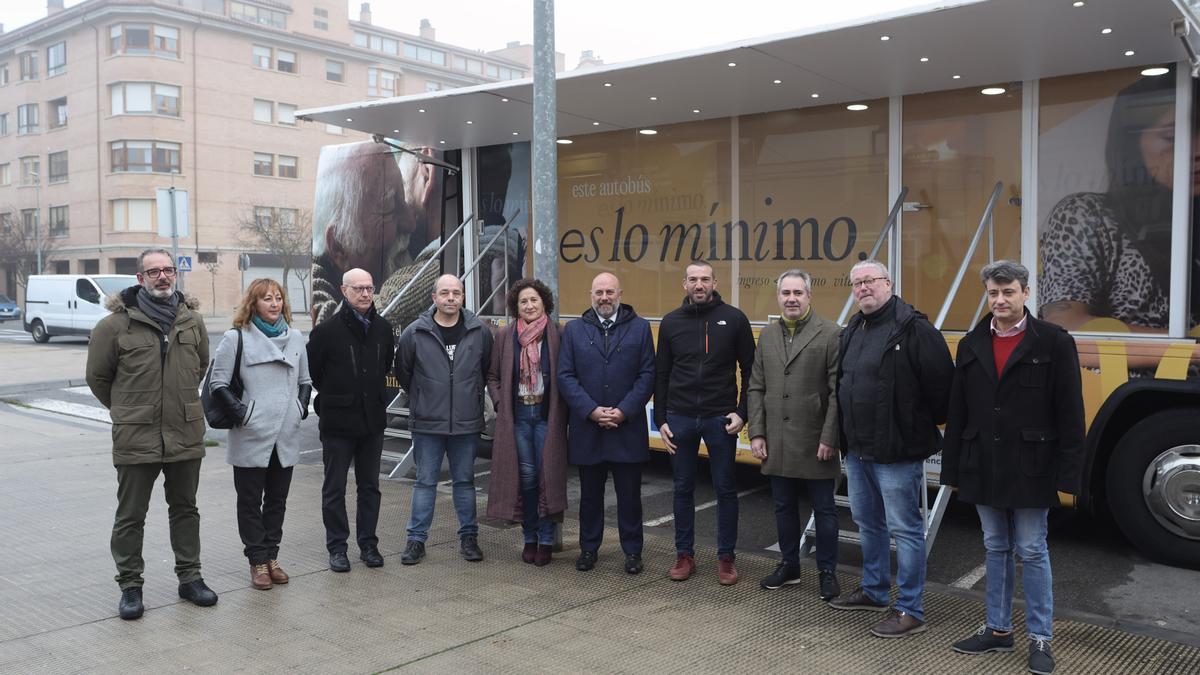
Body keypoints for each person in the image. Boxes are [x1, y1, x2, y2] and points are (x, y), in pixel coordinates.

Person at [941, 261, 1085, 675]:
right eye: (993, 293)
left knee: (1033, 550)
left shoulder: (1054, 343)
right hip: (982, 463)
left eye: (1008, 292)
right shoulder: (970, 344)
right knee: (994, 547)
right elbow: (959, 411)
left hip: (1033, 466)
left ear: (1025, 293)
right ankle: (998, 630)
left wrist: (1068, 474)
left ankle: (1040, 638)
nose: (1000, 300)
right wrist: (952, 471)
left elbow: (1070, 413)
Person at [86, 248, 218, 620]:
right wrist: (128, 409)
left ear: (175, 275)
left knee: (185, 509)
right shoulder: (113, 326)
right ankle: (130, 586)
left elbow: (200, 366)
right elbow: (98, 377)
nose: (163, 277)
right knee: (131, 515)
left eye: (168, 270)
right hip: (137, 435)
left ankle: (190, 578)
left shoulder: (191, 321)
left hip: (184, 431)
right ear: (139, 278)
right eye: (154, 271)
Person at [828, 259, 953, 639]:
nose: (863, 288)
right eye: (856, 283)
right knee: (868, 523)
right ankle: (875, 590)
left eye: (870, 281)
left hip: (897, 451)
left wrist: (910, 426)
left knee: (906, 530)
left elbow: (942, 391)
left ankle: (911, 609)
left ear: (889, 283)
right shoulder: (853, 327)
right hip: (859, 449)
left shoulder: (914, 329)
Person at [1040, 68, 1200, 333]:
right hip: (1127, 374)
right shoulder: (1087, 216)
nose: (1195, 151)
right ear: (1132, 145)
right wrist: (1186, 349)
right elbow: (1064, 326)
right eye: (1171, 138)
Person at [654, 261, 755, 585]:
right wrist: (660, 418)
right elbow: (662, 374)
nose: (700, 284)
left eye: (705, 279)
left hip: (719, 417)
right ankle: (684, 556)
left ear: (714, 282)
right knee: (682, 488)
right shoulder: (671, 323)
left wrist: (742, 412)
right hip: (680, 417)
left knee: (725, 488)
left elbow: (751, 371)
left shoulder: (735, 319)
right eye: (694, 279)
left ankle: (726, 558)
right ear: (684, 284)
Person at [208, 278, 311, 590]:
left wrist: (300, 409)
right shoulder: (236, 338)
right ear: (253, 303)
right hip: (252, 433)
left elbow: (305, 380)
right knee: (251, 502)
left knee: (277, 501)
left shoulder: (295, 337)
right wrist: (244, 415)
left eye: (278, 298)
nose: (274, 303)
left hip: (285, 434)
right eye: (267, 298)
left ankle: (272, 557)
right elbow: (218, 384)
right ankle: (257, 561)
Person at [747, 269, 843, 601]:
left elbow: (836, 393)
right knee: (783, 507)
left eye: (798, 293)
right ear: (778, 297)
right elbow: (756, 386)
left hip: (816, 440)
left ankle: (827, 572)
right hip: (776, 440)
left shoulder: (830, 334)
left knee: (825, 510)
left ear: (809, 296)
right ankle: (789, 566)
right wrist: (756, 433)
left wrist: (830, 437)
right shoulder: (767, 335)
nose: (791, 298)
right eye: (786, 293)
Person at [558, 272, 656, 574]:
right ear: (591, 295)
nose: (604, 297)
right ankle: (589, 549)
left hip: (626, 427)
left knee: (629, 497)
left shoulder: (640, 329)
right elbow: (565, 376)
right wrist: (591, 410)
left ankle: (633, 552)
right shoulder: (573, 330)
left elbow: (647, 375)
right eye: (599, 292)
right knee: (589, 497)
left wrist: (623, 411)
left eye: (609, 292)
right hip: (589, 428)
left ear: (620, 294)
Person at [395, 274, 494, 564]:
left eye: (457, 293)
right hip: (428, 423)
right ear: (434, 298)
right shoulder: (414, 333)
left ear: (463, 297)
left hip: (466, 422)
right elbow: (404, 372)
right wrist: (425, 397)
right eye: (445, 293)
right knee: (425, 482)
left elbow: (485, 368)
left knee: (464, 481)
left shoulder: (479, 331)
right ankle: (416, 541)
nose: (451, 298)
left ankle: (469, 538)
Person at [306, 268, 395, 573]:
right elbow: (315, 372)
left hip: (372, 422)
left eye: (369, 288)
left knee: (370, 486)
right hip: (338, 423)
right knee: (335, 488)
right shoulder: (326, 331)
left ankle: (369, 545)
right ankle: (337, 548)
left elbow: (385, 366)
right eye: (358, 288)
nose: (365, 294)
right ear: (343, 291)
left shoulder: (383, 328)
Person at [486, 279, 569, 566]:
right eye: (523, 301)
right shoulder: (505, 335)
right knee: (528, 481)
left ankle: (547, 540)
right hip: (519, 417)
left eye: (534, 300)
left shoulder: (558, 334)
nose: (529, 305)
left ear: (544, 302)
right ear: (516, 307)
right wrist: (499, 404)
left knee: (548, 479)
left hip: (547, 417)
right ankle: (530, 537)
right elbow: (493, 377)